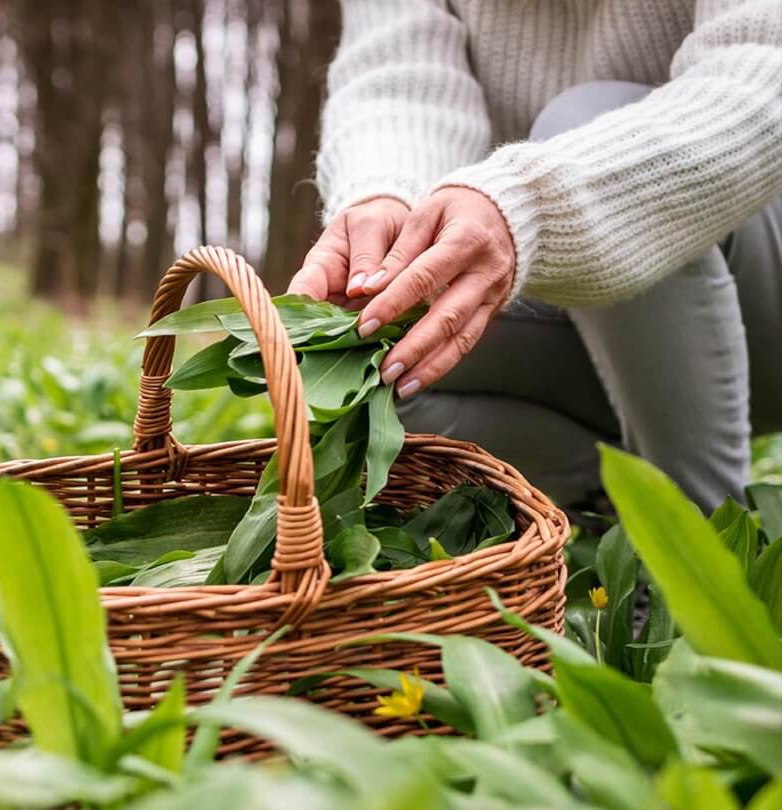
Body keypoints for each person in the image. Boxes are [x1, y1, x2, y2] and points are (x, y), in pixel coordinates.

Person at [288, 0, 782, 511]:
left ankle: (707, 551)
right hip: (586, 328)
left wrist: (531, 204)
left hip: (759, 292)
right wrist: (389, 203)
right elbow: (396, 78)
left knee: (585, 116)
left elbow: (763, 74)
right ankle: (612, 510)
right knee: (382, 358)